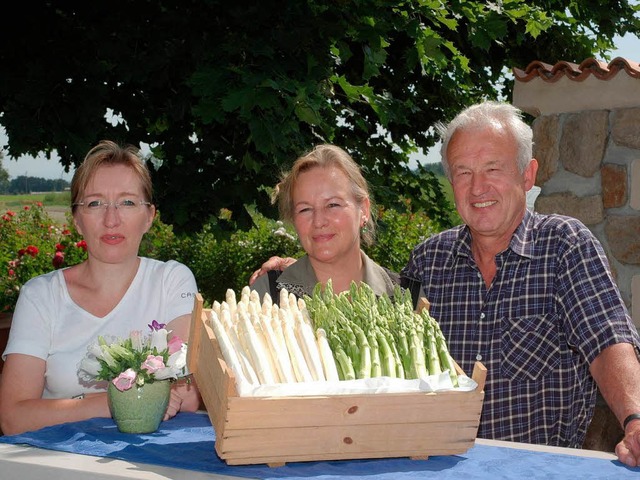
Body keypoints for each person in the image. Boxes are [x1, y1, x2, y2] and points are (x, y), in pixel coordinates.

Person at [250, 101, 640, 468]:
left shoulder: (564, 246)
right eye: (463, 173)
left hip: (535, 467)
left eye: (493, 168)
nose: (477, 187)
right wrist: (297, 270)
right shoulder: (428, 261)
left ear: (527, 174)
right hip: (438, 467)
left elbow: (608, 341)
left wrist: (635, 417)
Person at [0, 140, 201, 435]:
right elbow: (12, 417)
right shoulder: (41, 296)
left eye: (127, 202)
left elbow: (187, 393)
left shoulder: (172, 281)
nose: (111, 219)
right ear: (77, 220)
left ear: (149, 216)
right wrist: (110, 401)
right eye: (95, 203)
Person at [250, 144, 421, 303]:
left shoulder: (408, 298)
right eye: (305, 209)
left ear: (364, 211)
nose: (318, 221)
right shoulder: (268, 297)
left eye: (333, 205)